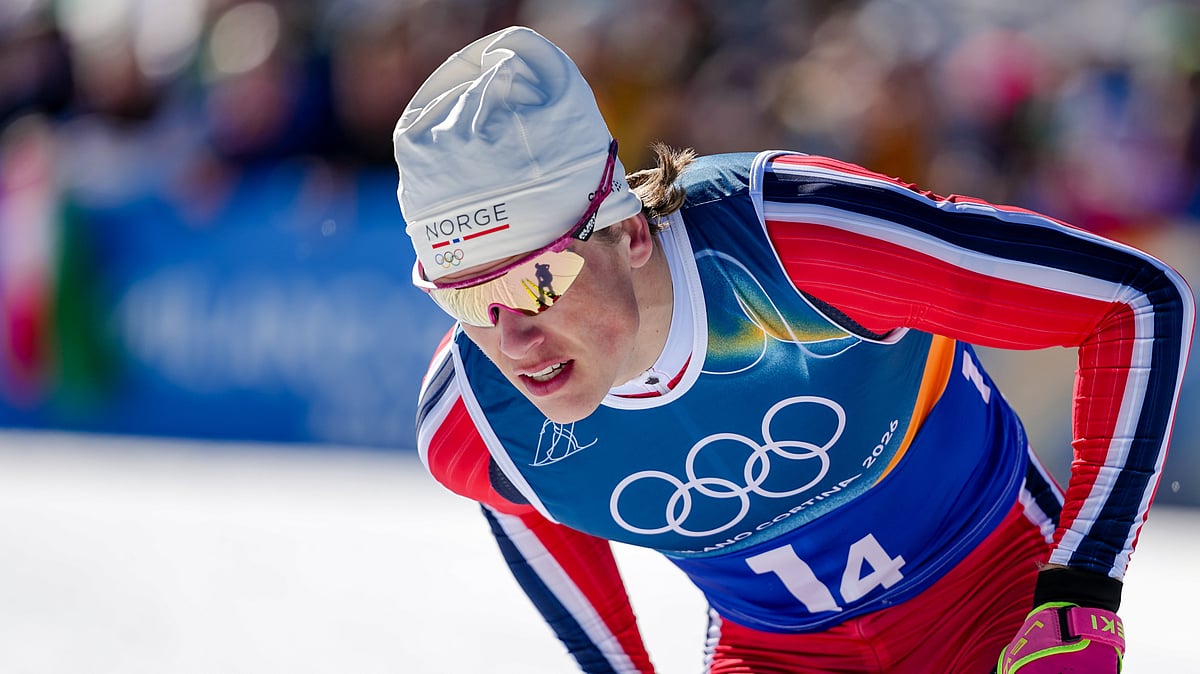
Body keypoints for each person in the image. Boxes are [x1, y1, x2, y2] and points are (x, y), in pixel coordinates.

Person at [393, 26, 1193, 674]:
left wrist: (1081, 589)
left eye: (537, 282)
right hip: (770, 654)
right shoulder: (475, 421)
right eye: (466, 299)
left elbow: (1135, 301)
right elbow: (522, 490)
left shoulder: (798, 246)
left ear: (629, 229)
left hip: (994, 602)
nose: (513, 338)